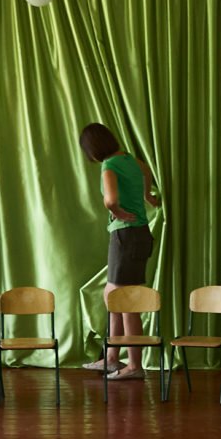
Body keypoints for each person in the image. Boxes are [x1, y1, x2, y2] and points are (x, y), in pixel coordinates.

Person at [77, 122, 160, 380]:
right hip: (137, 235)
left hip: (126, 235)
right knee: (112, 295)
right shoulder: (130, 159)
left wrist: (117, 211)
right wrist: (147, 195)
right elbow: (146, 172)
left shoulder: (109, 165)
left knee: (126, 302)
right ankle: (112, 358)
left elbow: (110, 200)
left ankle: (134, 366)